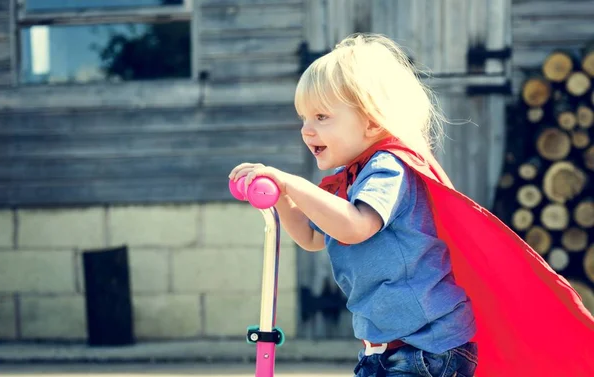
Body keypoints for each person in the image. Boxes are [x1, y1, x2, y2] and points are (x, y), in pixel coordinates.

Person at [229, 33, 594, 377]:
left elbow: (356, 227)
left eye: (321, 117)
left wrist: (293, 182)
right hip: (386, 349)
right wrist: (284, 200)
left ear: (371, 121)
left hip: (430, 348)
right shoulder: (350, 177)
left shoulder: (388, 167)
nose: (307, 130)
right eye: (304, 118)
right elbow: (312, 238)